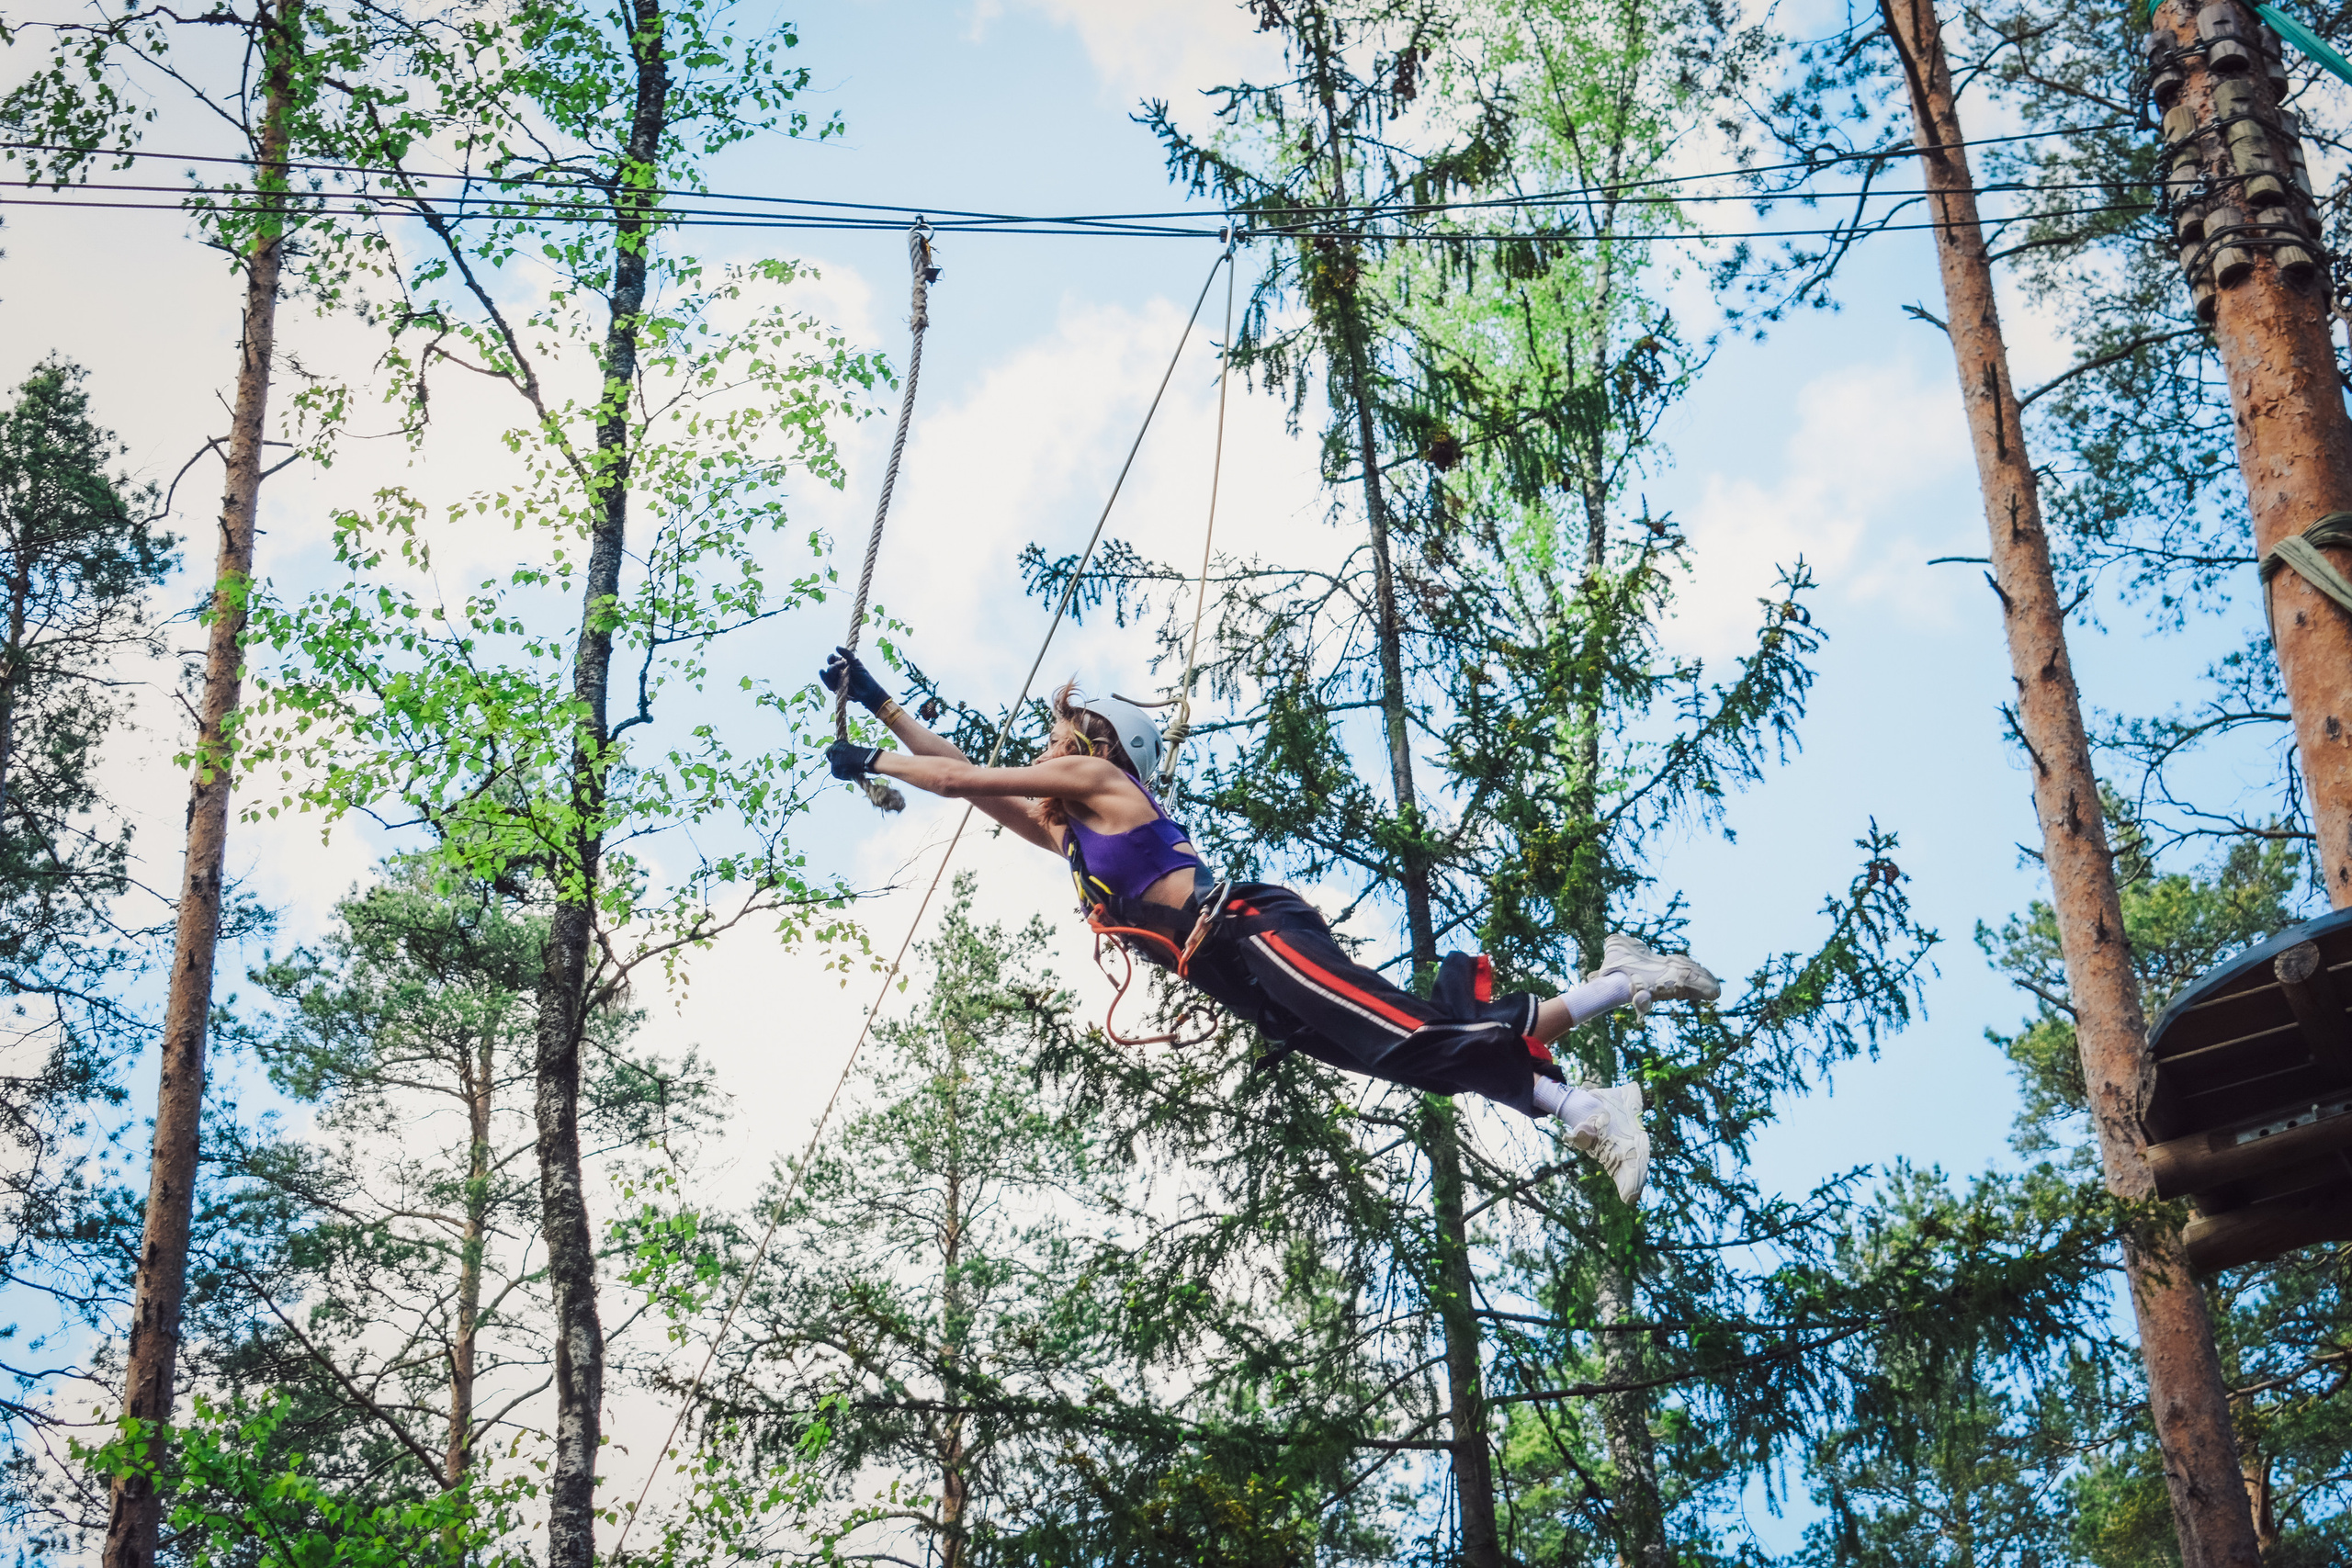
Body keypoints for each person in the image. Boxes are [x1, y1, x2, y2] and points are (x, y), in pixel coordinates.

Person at [820, 650, 1721, 1203]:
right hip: (1240, 982)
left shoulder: (1104, 789)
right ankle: (1587, 1101)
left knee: (1412, 1033)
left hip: (1251, 930)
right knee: (1408, 1059)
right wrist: (880, 704)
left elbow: (963, 782)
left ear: (1099, 748)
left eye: (1063, 735)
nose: (1049, 747)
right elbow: (976, 784)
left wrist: (872, 758)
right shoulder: (1077, 845)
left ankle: (1625, 986)